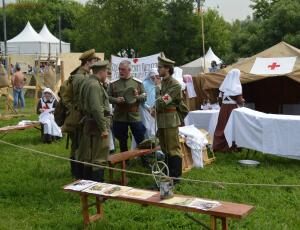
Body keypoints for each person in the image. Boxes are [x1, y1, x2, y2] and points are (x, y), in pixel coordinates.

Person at [60, 49, 100, 179]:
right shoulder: (80, 77)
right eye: (94, 61)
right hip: (79, 116)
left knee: (77, 144)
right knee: (79, 145)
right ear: (88, 62)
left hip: (79, 114)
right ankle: (77, 173)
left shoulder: (81, 75)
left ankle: (77, 172)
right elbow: (81, 98)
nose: (96, 63)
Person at [77, 60, 111, 182]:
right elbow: (97, 109)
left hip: (90, 122)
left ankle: (88, 184)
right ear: (101, 72)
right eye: (106, 72)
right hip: (97, 124)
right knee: (99, 157)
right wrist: (104, 129)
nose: (107, 75)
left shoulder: (87, 82)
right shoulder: (94, 85)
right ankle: (98, 187)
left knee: (89, 156)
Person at [154, 54, 183, 183]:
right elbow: (157, 101)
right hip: (162, 120)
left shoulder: (175, 84)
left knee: (173, 148)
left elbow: (163, 101)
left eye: (160, 67)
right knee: (165, 148)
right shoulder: (164, 83)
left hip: (170, 120)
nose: (158, 69)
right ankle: (167, 173)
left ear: (167, 69)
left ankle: (175, 177)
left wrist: (158, 87)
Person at [108, 60, 147, 152]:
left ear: (129, 70)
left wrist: (137, 97)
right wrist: (116, 100)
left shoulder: (138, 83)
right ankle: (124, 161)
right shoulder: (113, 83)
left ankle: (145, 159)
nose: (121, 71)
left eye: (123, 69)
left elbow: (145, 96)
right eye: (119, 69)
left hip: (134, 115)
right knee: (122, 140)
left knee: (140, 137)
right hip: (120, 116)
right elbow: (107, 97)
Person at [213, 69, 245, 152]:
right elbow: (239, 101)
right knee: (232, 126)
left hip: (223, 109)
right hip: (232, 109)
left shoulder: (223, 87)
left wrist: (224, 105)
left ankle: (218, 146)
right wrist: (242, 101)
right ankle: (231, 147)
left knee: (221, 126)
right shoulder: (237, 87)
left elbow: (220, 100)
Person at [142, 67, 160, 138]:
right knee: (147, 129)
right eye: (155, 77)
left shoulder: (157, 85)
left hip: (155, 110)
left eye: (158, 77)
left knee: (155, 128)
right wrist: (149, 108)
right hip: (145, 110)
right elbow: (142, 99)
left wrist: (155, 108)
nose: (156, 79)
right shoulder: (144, 84)